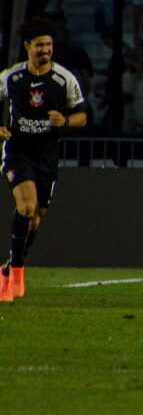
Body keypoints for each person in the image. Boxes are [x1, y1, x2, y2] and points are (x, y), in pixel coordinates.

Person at [1, 18, 87, 302]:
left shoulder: (63, 80)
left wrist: (65, 121)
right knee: (25, 207)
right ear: (27, 46)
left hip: (47, 155)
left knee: (37, 216)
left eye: (49, 45)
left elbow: (82, 116)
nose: (45, 50)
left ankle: (7, 268)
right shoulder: (11, 77)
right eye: (40, 45)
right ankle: (16, 273)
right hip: (18, 150)